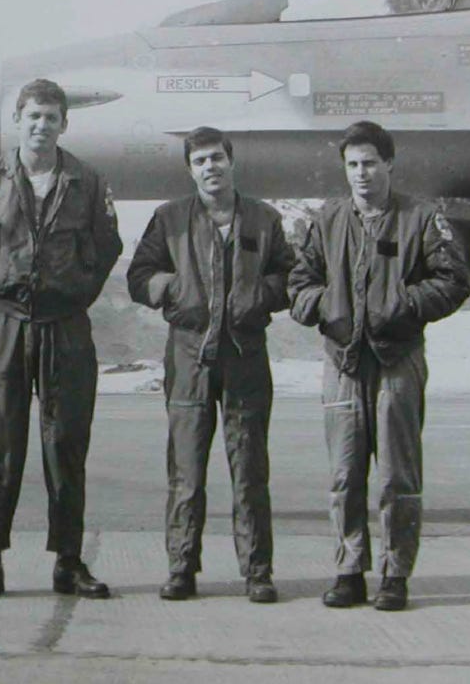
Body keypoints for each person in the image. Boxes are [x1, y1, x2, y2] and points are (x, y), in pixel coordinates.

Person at [288, 120, 470, 611]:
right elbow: (298, 283)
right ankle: (349, 569)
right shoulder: (326, 220)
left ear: (389, 163)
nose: (362, 173)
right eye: (352, 165)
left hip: (398, 359)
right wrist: (326, 307)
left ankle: (395, 573)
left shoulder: (421, 217)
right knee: (345, 473)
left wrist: (402, 305)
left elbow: (453, 280)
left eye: (370, 162)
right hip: (343, 361)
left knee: (396, 475)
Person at [0, 78, 122, 600]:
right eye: (33, 116)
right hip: (5, 324)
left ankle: (68, 562)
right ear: (18, 121)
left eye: (51, 117)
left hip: (65, 327)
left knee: (66, 444)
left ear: (64, 123)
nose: (42, 125)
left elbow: (107, 246)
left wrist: (74, 294)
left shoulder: (88, 181)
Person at [127, 126, 295, 603]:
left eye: (217, 158)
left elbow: (289, 273)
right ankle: (182, 568)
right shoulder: (170, 219)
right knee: (186, 471)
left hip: (245, 359)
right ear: (190, 169)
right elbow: (139, 275)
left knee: (249, 471)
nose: (210, 167)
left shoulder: (264, 220)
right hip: (188, 360)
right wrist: (175, 291)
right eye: (200, 161)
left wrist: (258, 296)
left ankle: (257, 572)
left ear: (231, 161)